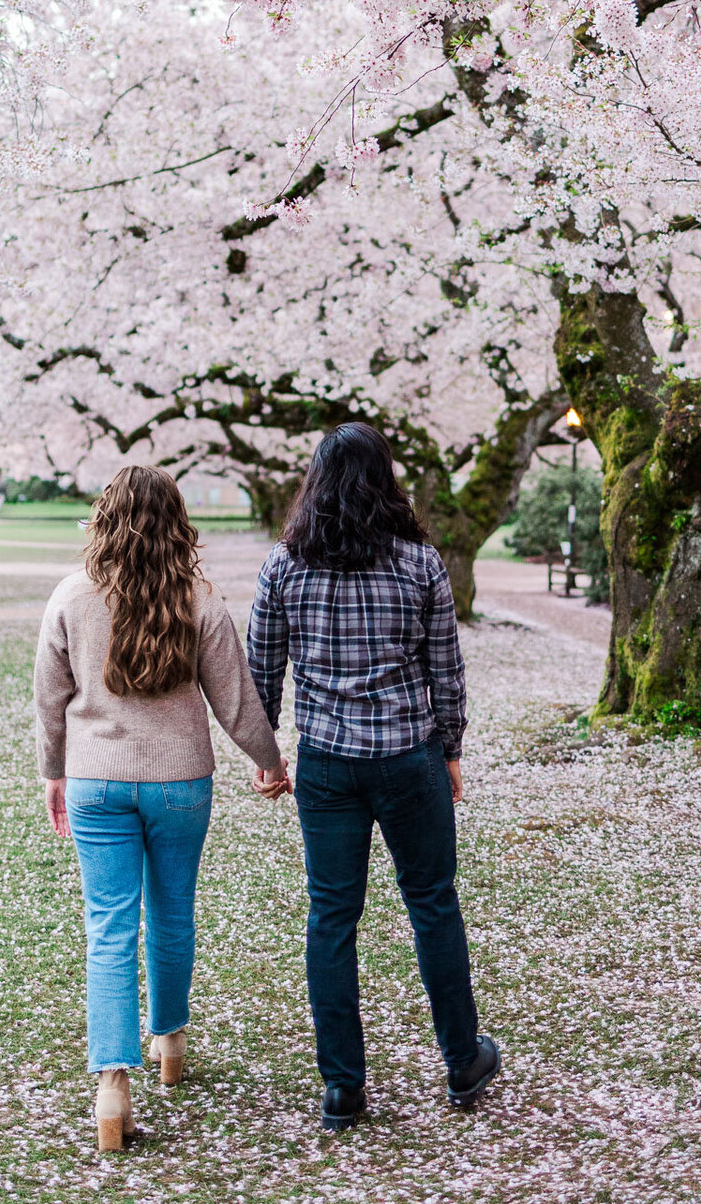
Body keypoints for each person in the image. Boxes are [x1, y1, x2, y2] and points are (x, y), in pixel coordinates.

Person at [246, 422, 499, 1130]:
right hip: (407, 756)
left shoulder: (284, 566)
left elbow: (260, 671)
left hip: (326, 762)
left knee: (332, 916)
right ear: (384, 479)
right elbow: (445, 670)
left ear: (316, 484)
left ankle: (342, 1086)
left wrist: (268, 756)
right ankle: (461, 1061)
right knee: (432, 904)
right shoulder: (420, 564)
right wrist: (450, 750)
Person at [35, 465, 291, 1151]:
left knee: (109, 927)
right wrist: (269, 758)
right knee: (172, 910)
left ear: (103, 519)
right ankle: (169, 1040)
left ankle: (112, 1085)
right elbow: (234, 701)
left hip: (96, 782)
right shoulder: (200, 599)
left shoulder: (70, 595)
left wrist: (52, 772)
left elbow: (48, 698)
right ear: (177, 524)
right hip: (181, 782)